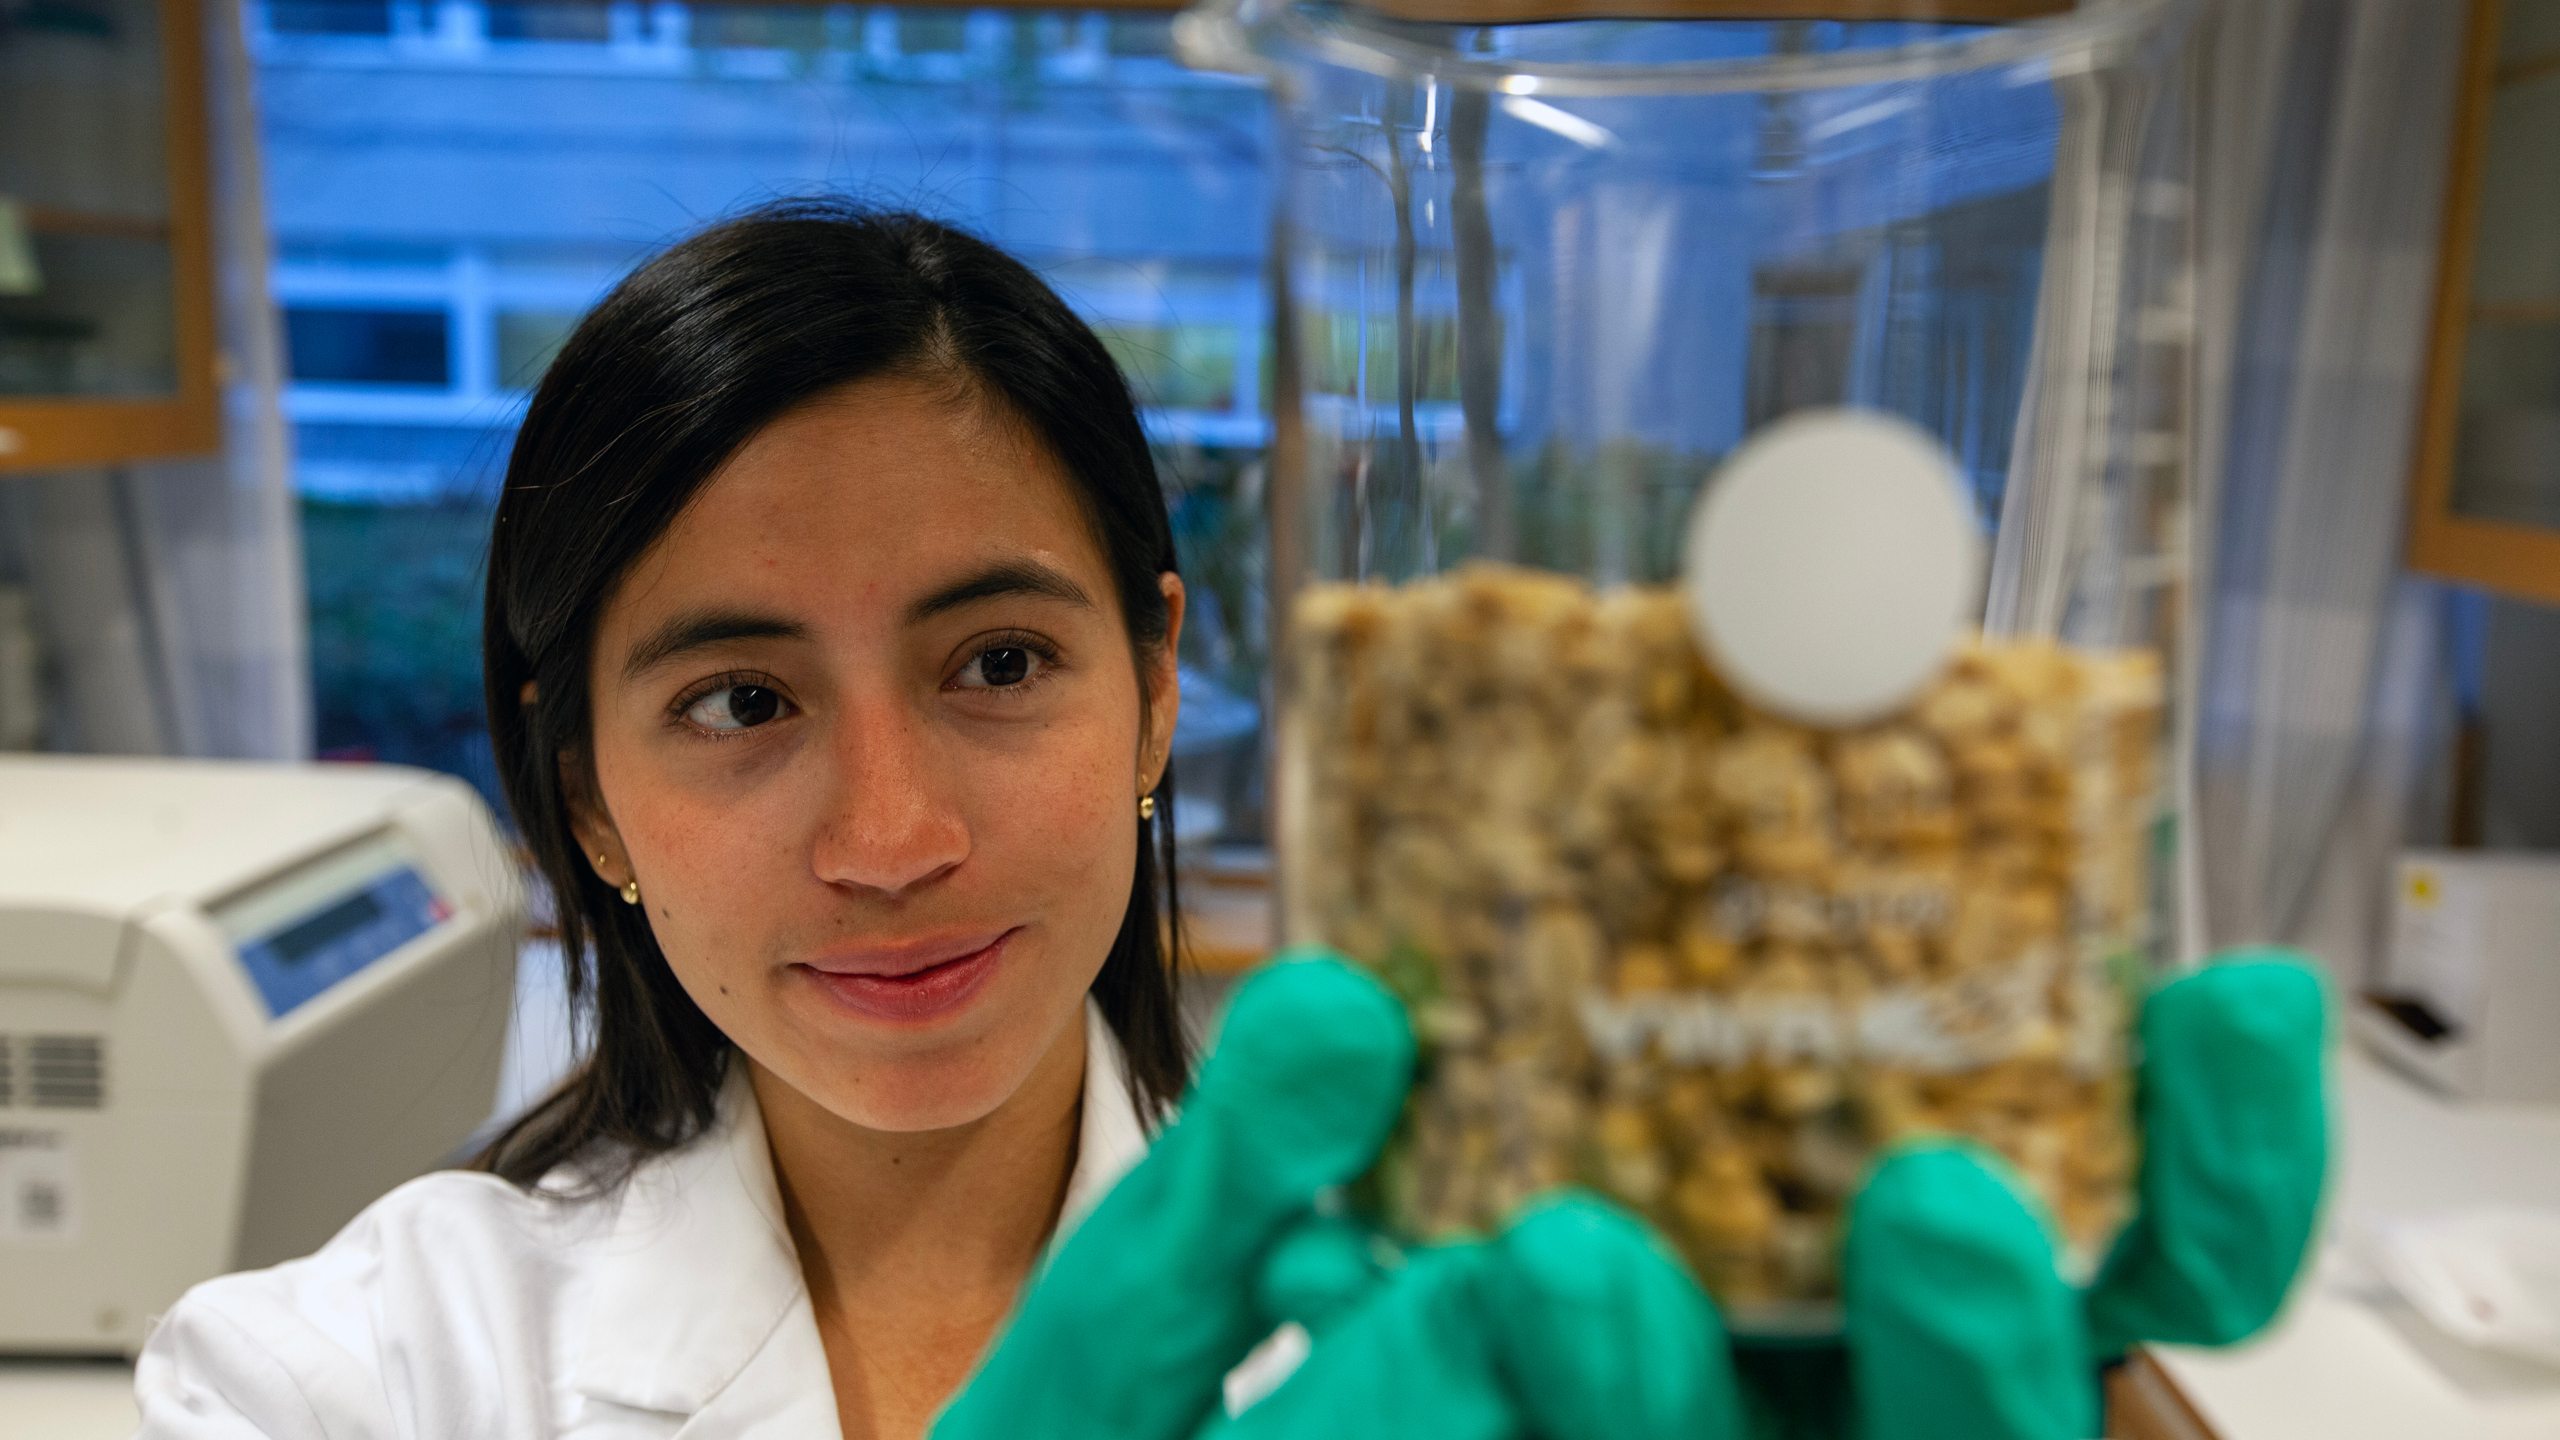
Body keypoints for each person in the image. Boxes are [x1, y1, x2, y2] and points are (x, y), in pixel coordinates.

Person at [132, 200, 2329, 1440]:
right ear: (585, 794)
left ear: (1163, 677)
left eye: (997, 663)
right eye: (736, 702)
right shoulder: (351, 1376)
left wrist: (2087, 1368)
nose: (888, 831)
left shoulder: (1507, 1312)